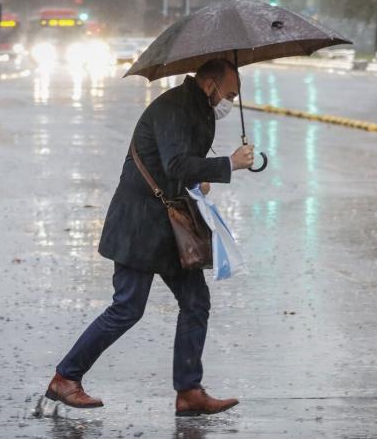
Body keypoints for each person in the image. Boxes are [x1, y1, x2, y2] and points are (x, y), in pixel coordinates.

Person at [45, 59, 254, 416]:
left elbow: (178, 166)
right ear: (209, 84)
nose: (230, 102)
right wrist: (228, 164)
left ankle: (189, 391)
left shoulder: (196, 108)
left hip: (169, 227)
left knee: (195, 302)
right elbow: (175, 165)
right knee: (127, 307)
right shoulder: (174, 108)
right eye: (229, 94)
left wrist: (198, 180)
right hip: (139, 225)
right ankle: (65, 378)